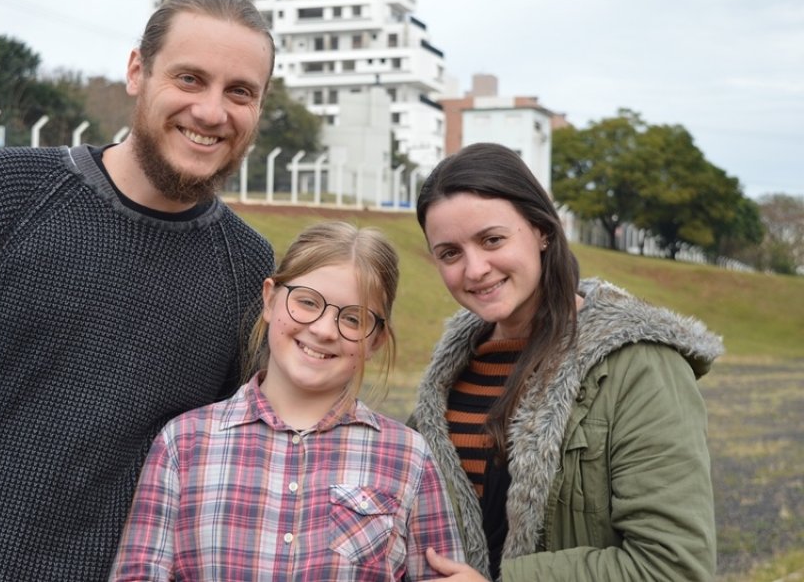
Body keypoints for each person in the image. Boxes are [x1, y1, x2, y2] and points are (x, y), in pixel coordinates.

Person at [0, 0, 276, 581]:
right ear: (136, 71)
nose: (210, 111)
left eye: (239, 92)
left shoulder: (250, 269)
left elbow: (234, 472)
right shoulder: (7, 193)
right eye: (189, 79)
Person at [409, 143, 721, 581]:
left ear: (542, 230)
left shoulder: (639, 365)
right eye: (450, 253)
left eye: (492, 239)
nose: (474, 269)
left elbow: (674, 567)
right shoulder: (446, 378)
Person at [109, 221, 466, 581]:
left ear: (375, 341)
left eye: (353, 319)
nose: (324, 330)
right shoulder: (184, 443)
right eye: (307, 302)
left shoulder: (407, 457)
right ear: (270, 299)